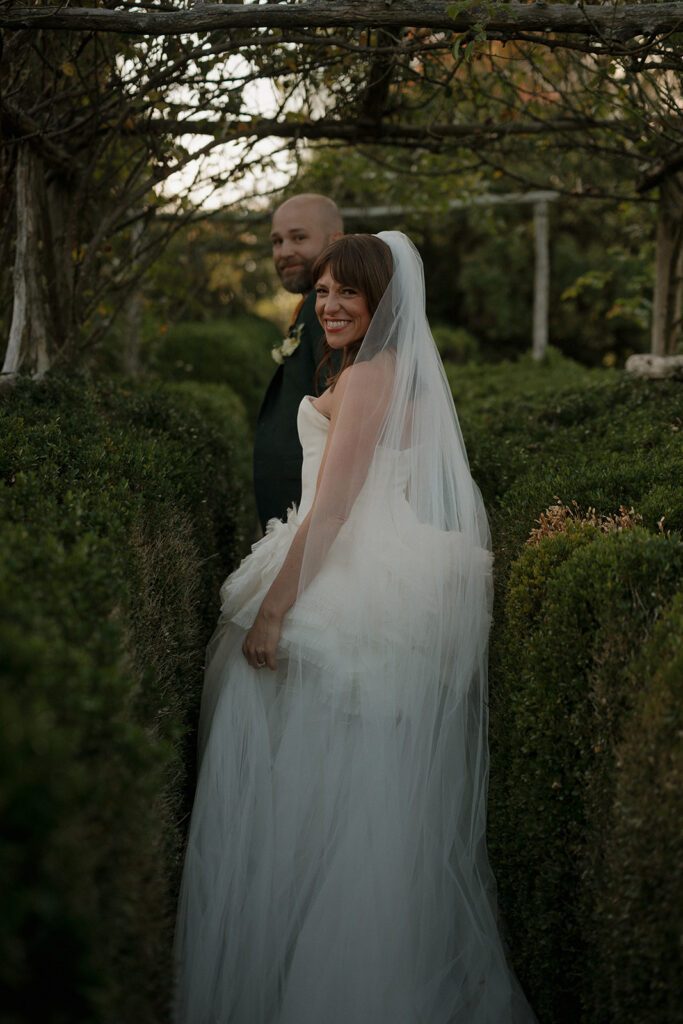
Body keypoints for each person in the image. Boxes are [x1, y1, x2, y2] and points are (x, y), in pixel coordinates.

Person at [174, 232, 536, 1023]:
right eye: (324, 291)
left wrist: (274, 610)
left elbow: (334, 507)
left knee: (318, 796)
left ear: (381, 303)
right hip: (365, 559)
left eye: (349, 294)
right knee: (331, 795)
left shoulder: (371, 375)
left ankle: (328, 987)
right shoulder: (374, 370)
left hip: (341, 575)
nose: (329, 305)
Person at [253, 193, 343, 530]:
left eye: (299, 237)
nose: (284, 251)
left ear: (336, 241)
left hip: (313, 515)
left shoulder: (332, 314)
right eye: (277, 241)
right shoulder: (311, 305)